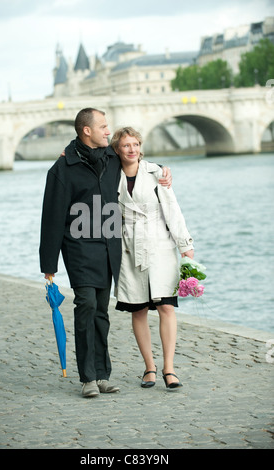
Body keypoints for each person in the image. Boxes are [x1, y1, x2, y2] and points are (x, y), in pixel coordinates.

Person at [39, 108, 172, 398]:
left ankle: (102, 375)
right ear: (86, 131)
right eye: (102, 126)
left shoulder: (112, 158)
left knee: (101, 311)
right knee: (85, 306)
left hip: (110, 247)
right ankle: (87, 377)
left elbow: (135, 159)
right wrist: (49, 265)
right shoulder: (62, 169)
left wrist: (162, 169)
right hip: (78, 247)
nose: (107, 130)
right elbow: (51, 217)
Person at [111, 127, 194, 390]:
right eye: (126, 145)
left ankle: (169, 368)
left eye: (135, 144)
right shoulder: (110, 175)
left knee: (166, 306)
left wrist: (185, 244)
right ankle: (149, 367)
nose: (132, 149)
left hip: (160, 245)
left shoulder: (156, 173)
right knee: (138, 308)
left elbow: (172, 209)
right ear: (117, 149)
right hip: (129, 245)